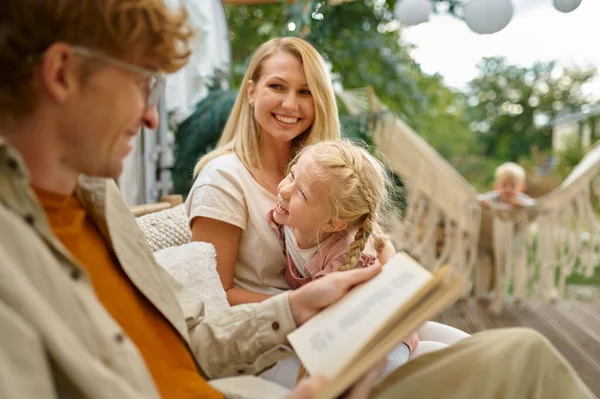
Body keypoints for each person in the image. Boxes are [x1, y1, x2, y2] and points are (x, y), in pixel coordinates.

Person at [0, 1, 594, 398]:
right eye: (142, 83)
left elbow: (195, 339)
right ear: (60, 73)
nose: (154, 114)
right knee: (521, 361)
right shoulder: (17, 259)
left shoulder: (97, 209)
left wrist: (305, 302)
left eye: (306, 91)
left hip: (284, 351)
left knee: (504, 350)